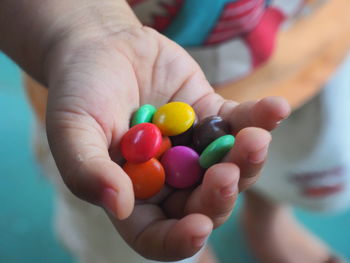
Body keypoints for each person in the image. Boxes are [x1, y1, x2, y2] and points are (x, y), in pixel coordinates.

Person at [0, 0, 290, 263]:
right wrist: (89, 35)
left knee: (282, 162)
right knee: (121, 225)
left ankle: (267, 218)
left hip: (293, 49)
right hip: (100, 87)